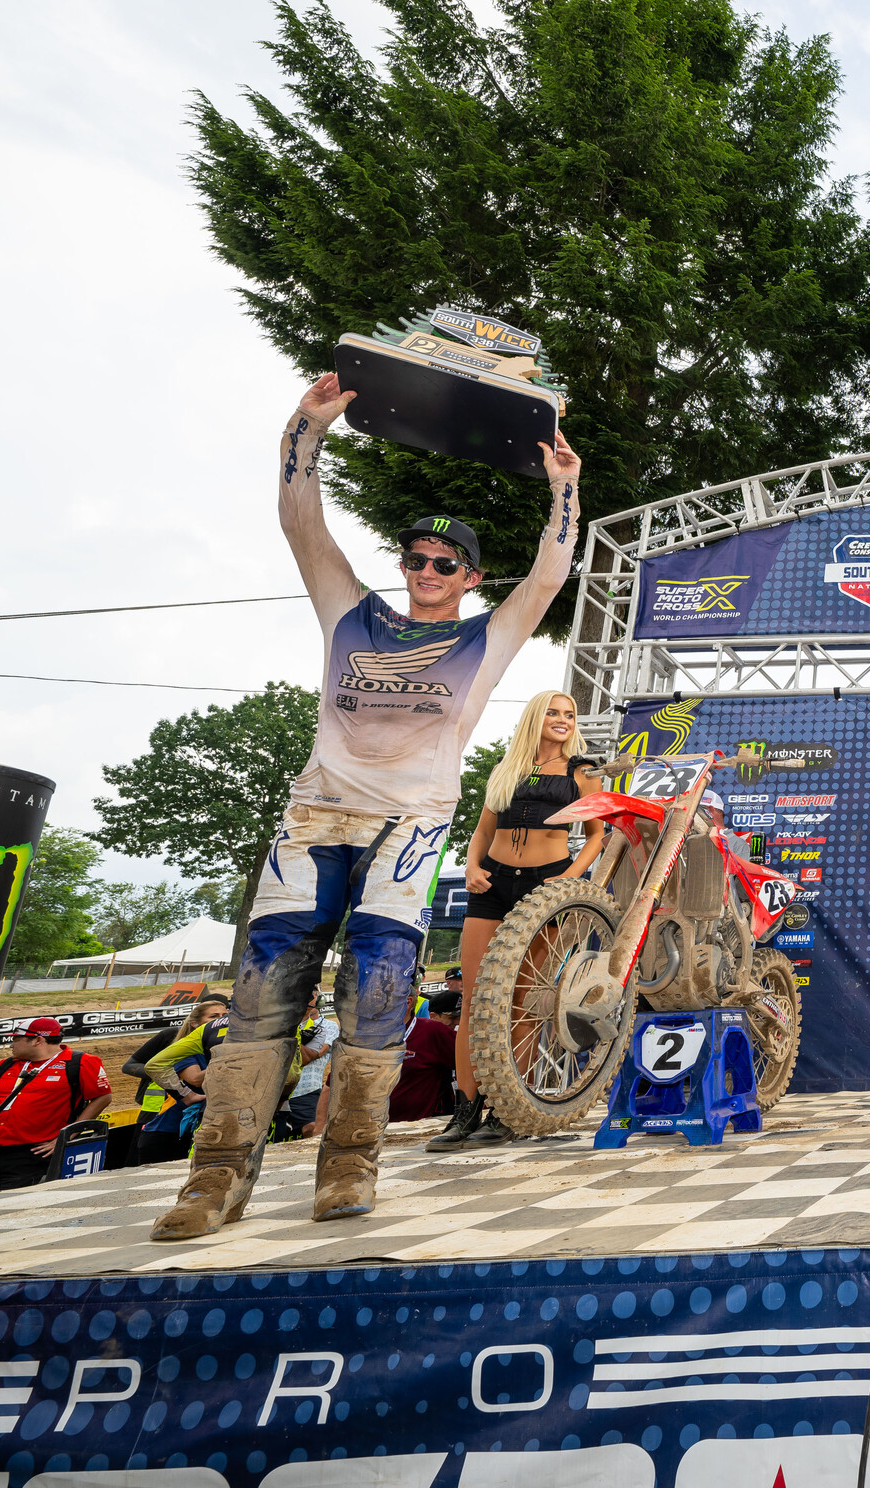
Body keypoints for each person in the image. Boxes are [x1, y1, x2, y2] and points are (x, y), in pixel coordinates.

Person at [152, 372, 582, 1241]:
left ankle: (350, 1163)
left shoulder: (482, 637)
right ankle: (214, 1179)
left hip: (408, 828)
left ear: (468, 576)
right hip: (314, 820)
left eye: (445, 563)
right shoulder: (350, 613)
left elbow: (549, 576)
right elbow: (299, 524)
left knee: (380, 990)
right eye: (416, 558)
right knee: (264, 996)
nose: (427, 571)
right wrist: (304, 432)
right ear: (403, 563)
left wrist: (565, 489)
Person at [430, 692, 606, 1151]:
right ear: (535, 717)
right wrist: (472, 866)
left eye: (569, 714)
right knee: (474, 998)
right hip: (493, 881)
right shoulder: (506, 769)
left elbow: (596, 836)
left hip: (547, 885)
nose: (563, 720)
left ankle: (505, 1112)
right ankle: (463, 1113)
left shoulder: (581, 771)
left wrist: (565, 882)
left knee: (522, 1001)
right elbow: (484, 830)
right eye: (553, 712)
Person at [0, 1020, 110, 1197]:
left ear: (37, 1040)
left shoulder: (80, 1062)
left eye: (16, 1039)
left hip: (30, 1152)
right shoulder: (7, 1064)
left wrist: (65, 1137)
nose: (11, 1044)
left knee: (7, 1206)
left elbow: (103, 1097)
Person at [125, 993, 227, 1164]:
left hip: (192, 1129)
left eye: (225, 1016)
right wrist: (228, 1061)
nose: (220, 1021)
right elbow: (195, 1079)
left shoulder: (216, 1047)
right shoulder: (185, 1047)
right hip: (166, 1130)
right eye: (214, 1017)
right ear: (195, 1024)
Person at [390, 996, 461, 1124]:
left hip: (420, 1127)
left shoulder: (432, 1031)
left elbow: (469, 1066)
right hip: (376, 1127)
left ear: (408, 1002)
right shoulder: (367, 1034)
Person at [284, 997, 341, 1138]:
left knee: (311, 1130)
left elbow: (313, 1055)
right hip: (280, 1092)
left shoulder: (329, 1026)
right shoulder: (285, 1025)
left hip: (306, 1091)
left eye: (311, 997)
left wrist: (291, 1039)